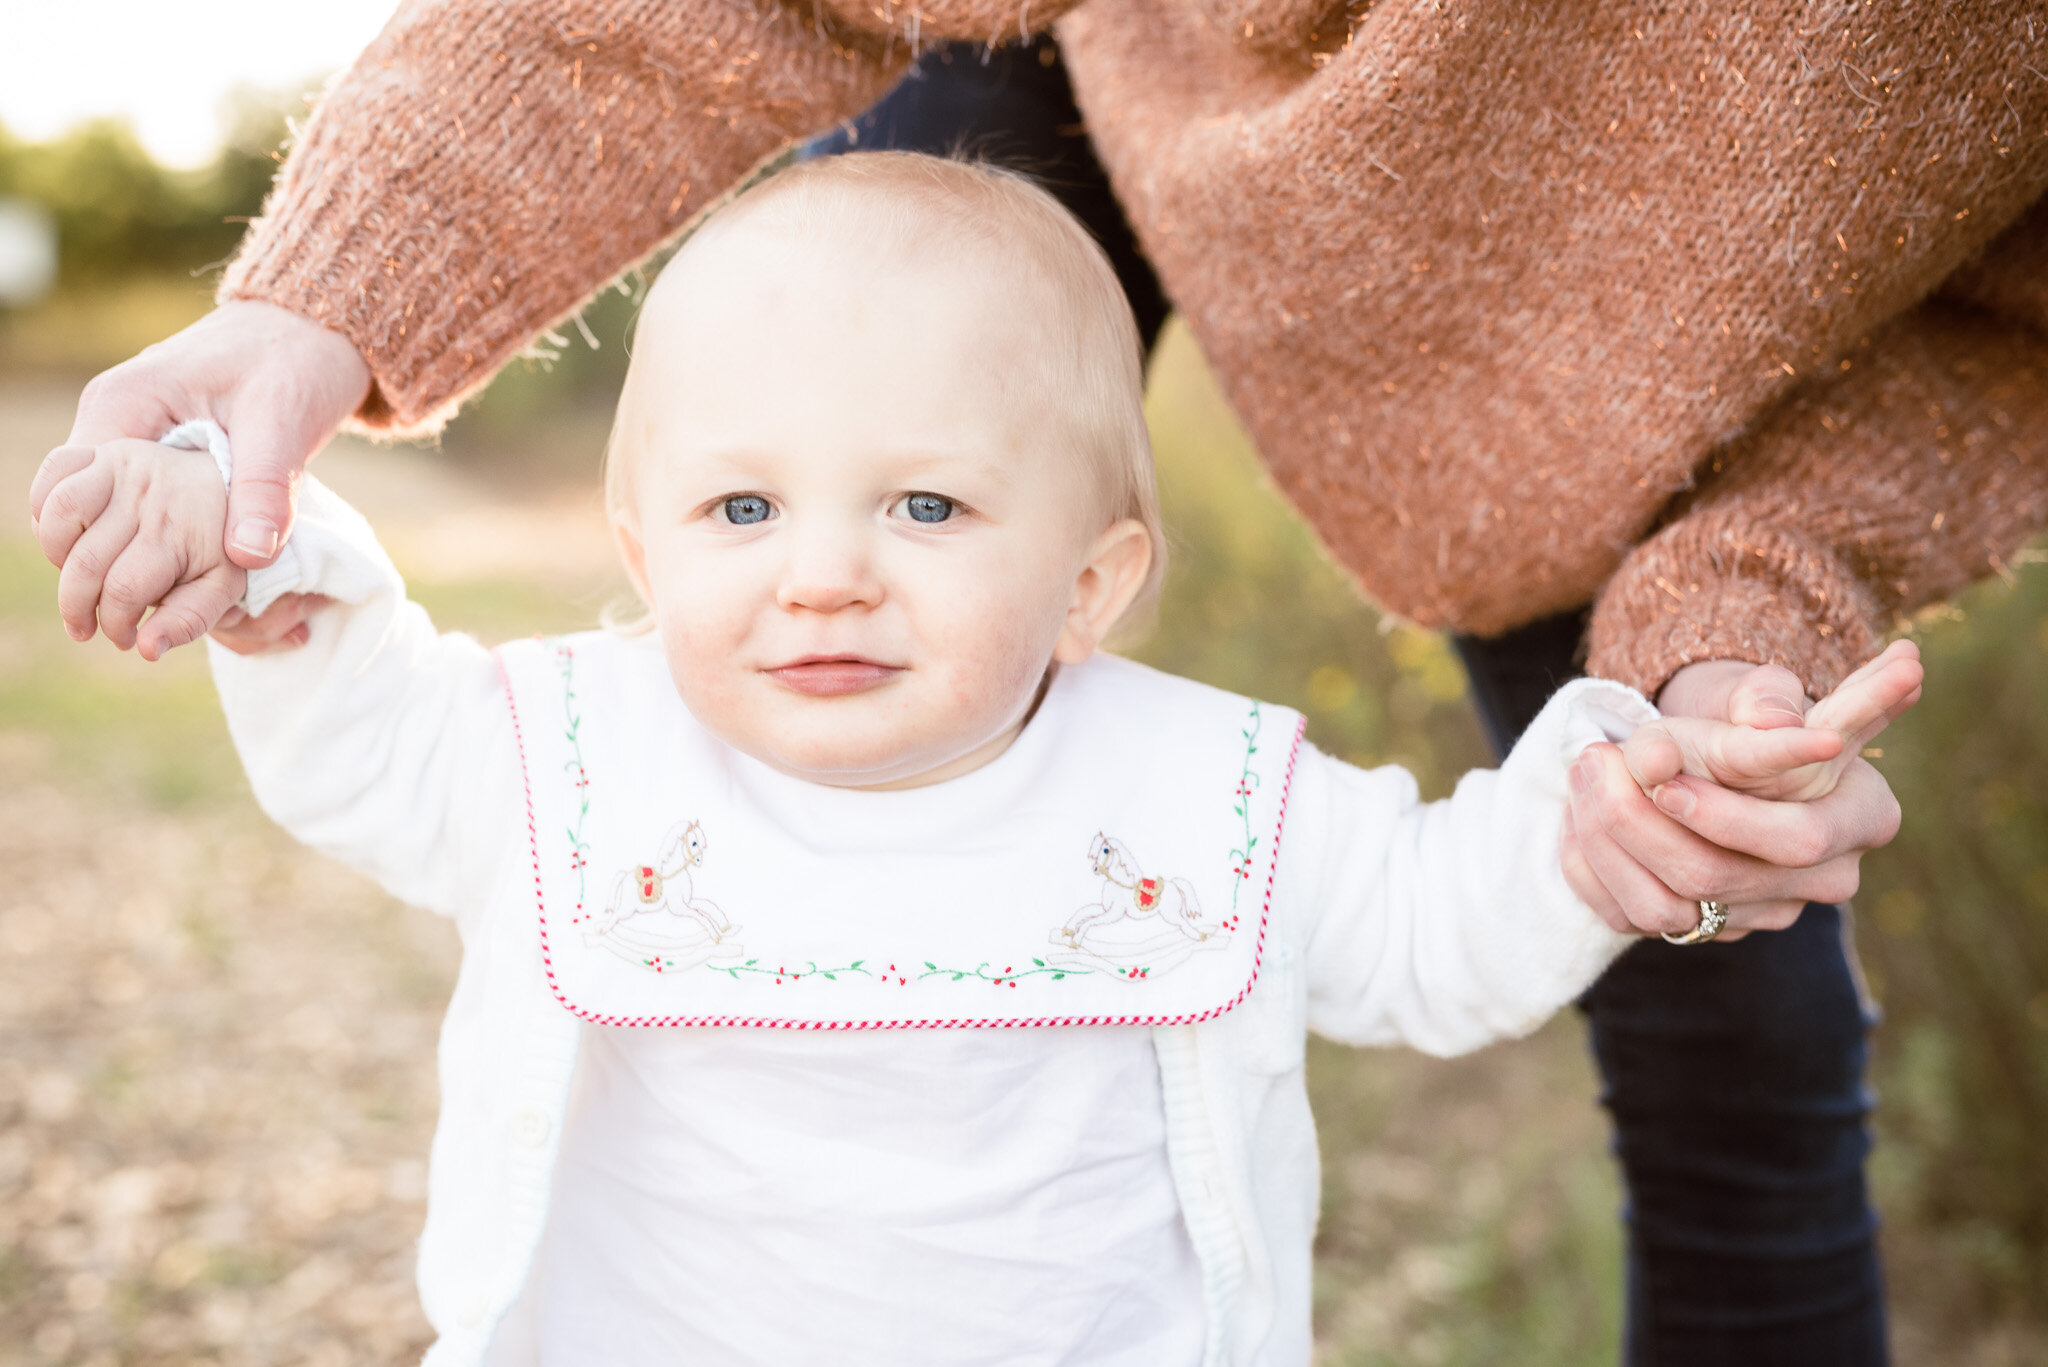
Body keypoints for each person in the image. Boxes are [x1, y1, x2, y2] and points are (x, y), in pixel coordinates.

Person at [32, 6, 2045, 1360]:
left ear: (1097, 585)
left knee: (1743, 1046)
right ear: (637, 556)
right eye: (738, 510)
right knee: (887, 298)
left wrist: (1609, 809)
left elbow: (1438, 925)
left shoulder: (1208, 798)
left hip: (1650, 386)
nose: (822, 568)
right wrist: (270, 541)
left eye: (924, 508)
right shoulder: (576, 751)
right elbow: (370, 737)